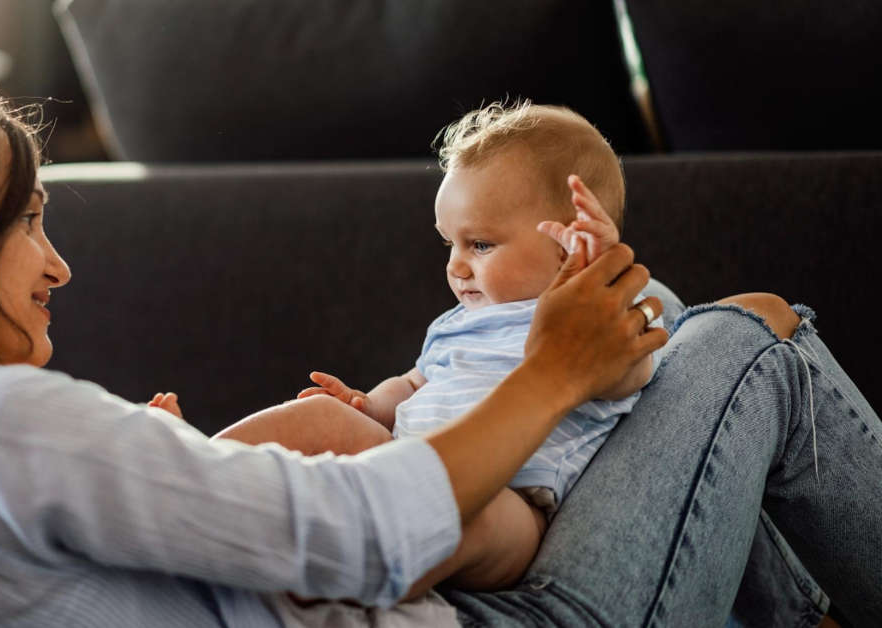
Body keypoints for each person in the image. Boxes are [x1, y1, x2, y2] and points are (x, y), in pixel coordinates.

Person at [0, 75, 878, 627]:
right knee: (749, 330)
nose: (57, 264)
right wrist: (557, 366)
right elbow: (364, 539)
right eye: (28, 219)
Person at [151, 103, 665, 598]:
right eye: (450, 245)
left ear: (568, 245)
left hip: (520, 503)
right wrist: (370, 405)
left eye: (480, 245)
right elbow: (417, 382)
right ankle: (192, 468)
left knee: (468, 525)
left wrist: (599, 270)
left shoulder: (600, 315)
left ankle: (344, 573)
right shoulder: (458, 326)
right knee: (317, 417)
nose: (457, 267)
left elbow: (631, 371)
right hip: (405, 462)